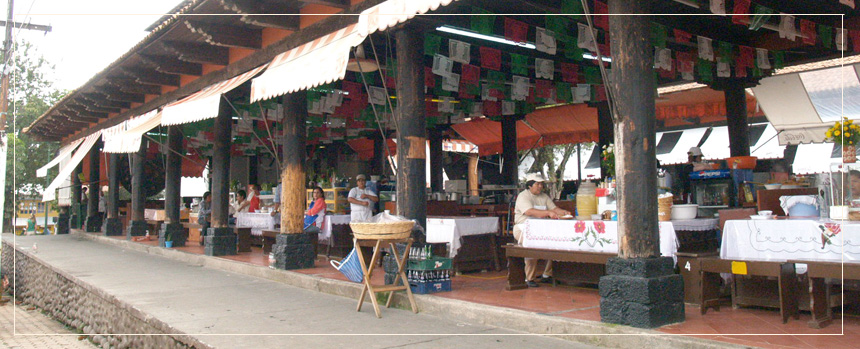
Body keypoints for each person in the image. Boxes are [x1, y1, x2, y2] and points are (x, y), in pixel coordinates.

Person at [513, 173, 572, 288]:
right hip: (523, 228)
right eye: (537, 184)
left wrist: (564, 212)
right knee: (531, 246)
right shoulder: (523, 196)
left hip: (541, 228)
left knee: (556, 243)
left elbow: (554, 208)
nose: (540, 186)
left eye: (541, 184)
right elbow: (529, 211)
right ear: (530, 186)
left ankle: (547, 274)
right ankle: (529, 278)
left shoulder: (544, 196)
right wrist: (548, 213)